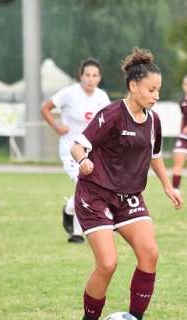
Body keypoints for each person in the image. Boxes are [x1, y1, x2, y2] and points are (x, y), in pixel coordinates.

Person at [70, 48, 182, 320]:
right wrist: (84, 159)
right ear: (133, 86)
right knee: (108, 264)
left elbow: (155, 156)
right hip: (94, 194)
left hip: (129, 197)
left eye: (159, 90)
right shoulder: (111, 114)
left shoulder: (154, 120)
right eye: (151, 89)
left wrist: (168, 186)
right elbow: (77, 146)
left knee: (150, 254)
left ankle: (135, 317)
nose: (156, 95)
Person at [41, 58, 111, 243]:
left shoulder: (102, 97)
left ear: (99, 78)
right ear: (81, 76)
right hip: (71, 149)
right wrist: (56, 127)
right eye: (87, 75)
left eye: (95, 75)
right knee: (84, 183)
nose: (90, 79)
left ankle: (70, 211)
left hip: (92, 151)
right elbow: (45, 108)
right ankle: (77, 231)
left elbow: (108, 122)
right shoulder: (69, 93)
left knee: (88, 188)